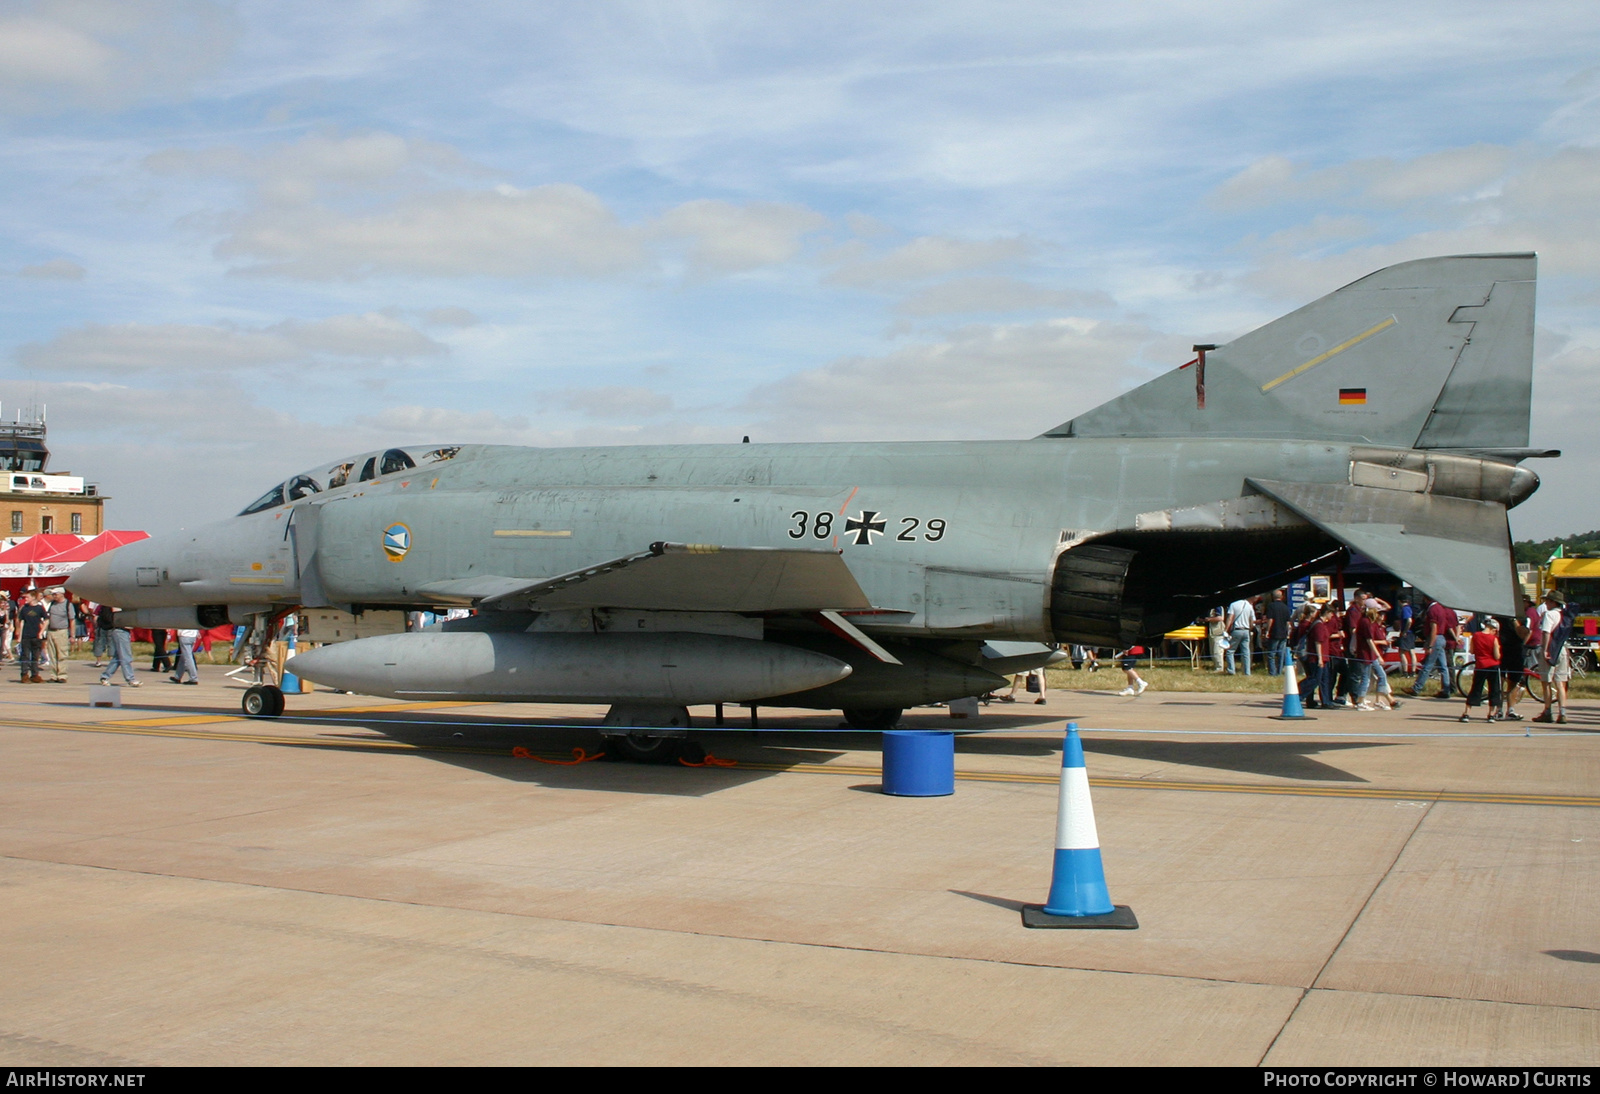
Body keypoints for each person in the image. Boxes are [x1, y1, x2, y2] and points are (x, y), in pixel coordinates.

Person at [1533, 590, 1571, 724]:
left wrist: (1545, 649)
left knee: (1546, 681)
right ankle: (1563, 712)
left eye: (1547, 601)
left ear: (1553, 602)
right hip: (1562, 649)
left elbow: (1546, 632)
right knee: (1560, 683)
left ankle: (1548, 711)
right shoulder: (1565, 615)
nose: (1546, 604)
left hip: (1551, 650)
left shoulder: (1549, 615)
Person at [1411, 597, 1460, 698]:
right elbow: (1449, 625)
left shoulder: (1433, 609)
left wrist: (1430, 644)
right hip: (1442, 638)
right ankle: (1446, 690)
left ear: (1426, 599)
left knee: (1428, 665)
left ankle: (1417, 688)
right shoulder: (1442, 609)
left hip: (1436, 638)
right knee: (1443, 667)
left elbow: (1434, 628)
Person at [1459, 617, 1503, 722]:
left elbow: (1472, 651)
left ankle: (1467, 713)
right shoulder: (1494, 639)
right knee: (1494, 689)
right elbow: (1497, 656)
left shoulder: (1476, 636)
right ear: (1493, 628)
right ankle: (1491, 714)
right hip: (1493, 666)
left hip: (1480, 665)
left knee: (1476, 688)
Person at [98, 608, 138, 687]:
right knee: (125, 656)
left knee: (117, 657)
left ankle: (105, 676)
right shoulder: (118, 604)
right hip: (120, 630)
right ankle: (130, 679)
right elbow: (116, 613)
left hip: (124, 630)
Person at [14, 590, 47, 683]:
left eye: (27, 597)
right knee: (25, 656)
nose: (25, 599)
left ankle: (35, 675)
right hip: (26, 635)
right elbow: (21, 622)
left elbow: (46, 620)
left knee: (35, 656)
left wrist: (41, 632)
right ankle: (24, 675)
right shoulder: (24, 608)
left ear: (33, 597)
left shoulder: (40, 608)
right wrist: (19, 635)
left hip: (36, 635)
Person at [44, 588, 71, 683]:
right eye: (53, 594)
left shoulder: (68, 604)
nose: (54, 596)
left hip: (62, 631)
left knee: (62, 654)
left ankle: (62, 675)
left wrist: (72, 635)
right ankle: (53, 675)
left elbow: (72, 620)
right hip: (51, 631)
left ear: (61, 594)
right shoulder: (52, 604)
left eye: (55, 594)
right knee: (52, 654)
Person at [1263, 589, 1293, 675]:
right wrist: (1288, 632)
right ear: (1282, 597)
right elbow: (1288, 622)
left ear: (1273, 597)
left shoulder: (1271, 606)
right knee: (1281, 654)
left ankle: (1272, 672)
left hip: (1274, 632)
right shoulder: (1285, 607)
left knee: (1271, 654)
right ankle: (1279, 671)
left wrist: (1267, 631)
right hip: (1283, 633)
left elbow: (1270, 620)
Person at [1225, 595, 1255, 675]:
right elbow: (1252, 620)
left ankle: (1231, 670)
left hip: (1236, 630)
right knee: (1246, 652)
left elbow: (1230, 618)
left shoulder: (1233, 604)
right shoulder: (1249, 605)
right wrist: (1250, 629)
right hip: (1246, 630)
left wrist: (1226, 630)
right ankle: (1247, 672)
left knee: (1230, 651)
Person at [1205, 606, 1227, 672]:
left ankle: (1219, 668)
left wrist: (1209, 619)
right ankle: (1216, 666)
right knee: (1212, 651)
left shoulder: (1218, 607)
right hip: (1212, 632)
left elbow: (1220, 618)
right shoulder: (1210, 608)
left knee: (1217, 651)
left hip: (1218, 632)